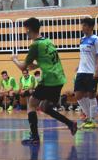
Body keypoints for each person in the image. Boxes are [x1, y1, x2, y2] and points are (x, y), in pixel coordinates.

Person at [12, 17, 78, 145]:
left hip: (49, 80)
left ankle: (34, 137)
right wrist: (37, 65)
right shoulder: (47, 41)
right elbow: (47, 60)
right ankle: (71, 124)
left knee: (31, 104)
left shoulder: (35, 45)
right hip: (59, 78)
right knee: (44, 107)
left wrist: (14, 59)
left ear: (29, 29)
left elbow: (22, 67)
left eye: (25, 29)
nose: (25, 32)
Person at [74, 17, 98, 129]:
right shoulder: (81, 39)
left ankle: (92, 120)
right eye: (82, 25)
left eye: (85, 25)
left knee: (91, 96)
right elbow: (83, 56)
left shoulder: (96, 40)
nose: (83, 27)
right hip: (81, 71)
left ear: (91, 27)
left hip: (91, 72)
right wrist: (79, 66)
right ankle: (88, 117)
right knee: (78, 95)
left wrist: (96, 71)